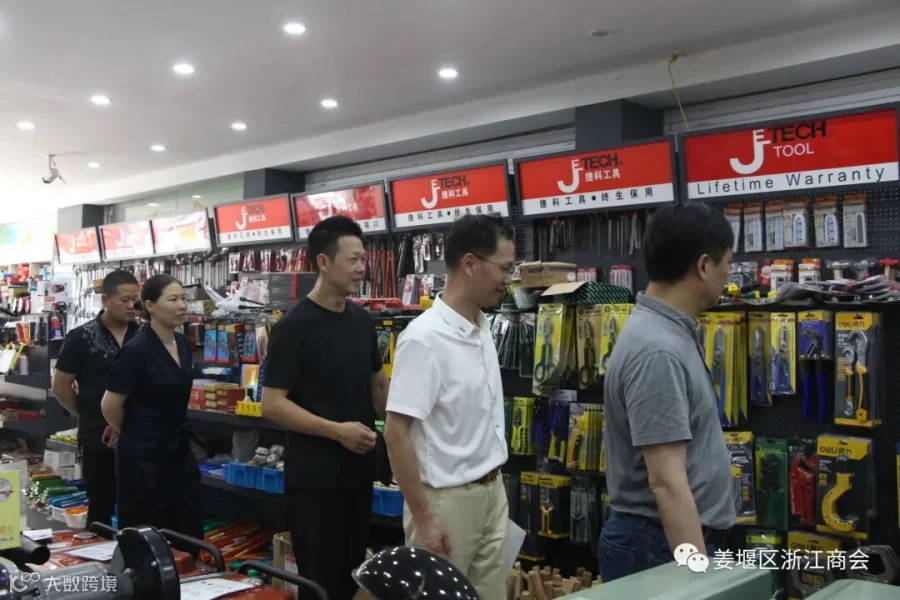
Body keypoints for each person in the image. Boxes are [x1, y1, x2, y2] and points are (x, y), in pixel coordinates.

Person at [597, 201, 737, 582]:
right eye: (728, 262)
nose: (730, 273)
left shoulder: (668, 334)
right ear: (704, 266)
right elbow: (666, 481)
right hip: (659, 545)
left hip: (661, 540)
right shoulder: (657, 350)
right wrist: (698, 576)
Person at [384, 214, 513, 600]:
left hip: (492, 492)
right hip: (446, 502)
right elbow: (396, 432)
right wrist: (424, 518)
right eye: (504, 268)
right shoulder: (425, 339)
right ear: (470, 263)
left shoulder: (482, 327)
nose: (509, 278)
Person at [260, 215, 390, 600]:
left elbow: (378, 385)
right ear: (323, 262)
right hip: (315, 480)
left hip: (359, 473)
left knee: (352, 578)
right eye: (353, 260)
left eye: (363, 259)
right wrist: (337, 431)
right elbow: (272, 404)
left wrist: (404, 429)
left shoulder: (362, 321)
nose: (361, 268)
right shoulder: (293, 327)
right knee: (319, 583)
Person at [100, 274, 202, 540]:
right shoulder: (136, 350)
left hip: (178, 449)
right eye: (173, 299)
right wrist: (135, 431)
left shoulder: (182, 344)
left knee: (186, 526)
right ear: (150, 306)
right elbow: (110, 405)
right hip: (142, 458)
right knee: (147, 532)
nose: (182, 305)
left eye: (183, 298)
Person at [52, 270, 141, 527]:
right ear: (105, 300)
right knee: (101, 505)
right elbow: (60, 386)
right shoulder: (81, 337)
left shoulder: (145, 335)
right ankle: (98, 551)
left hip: (139, 435)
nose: (131, 306)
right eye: (124, 300)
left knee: (139, 505)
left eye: (135, 300)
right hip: (97, 436)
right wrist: (86, 413)